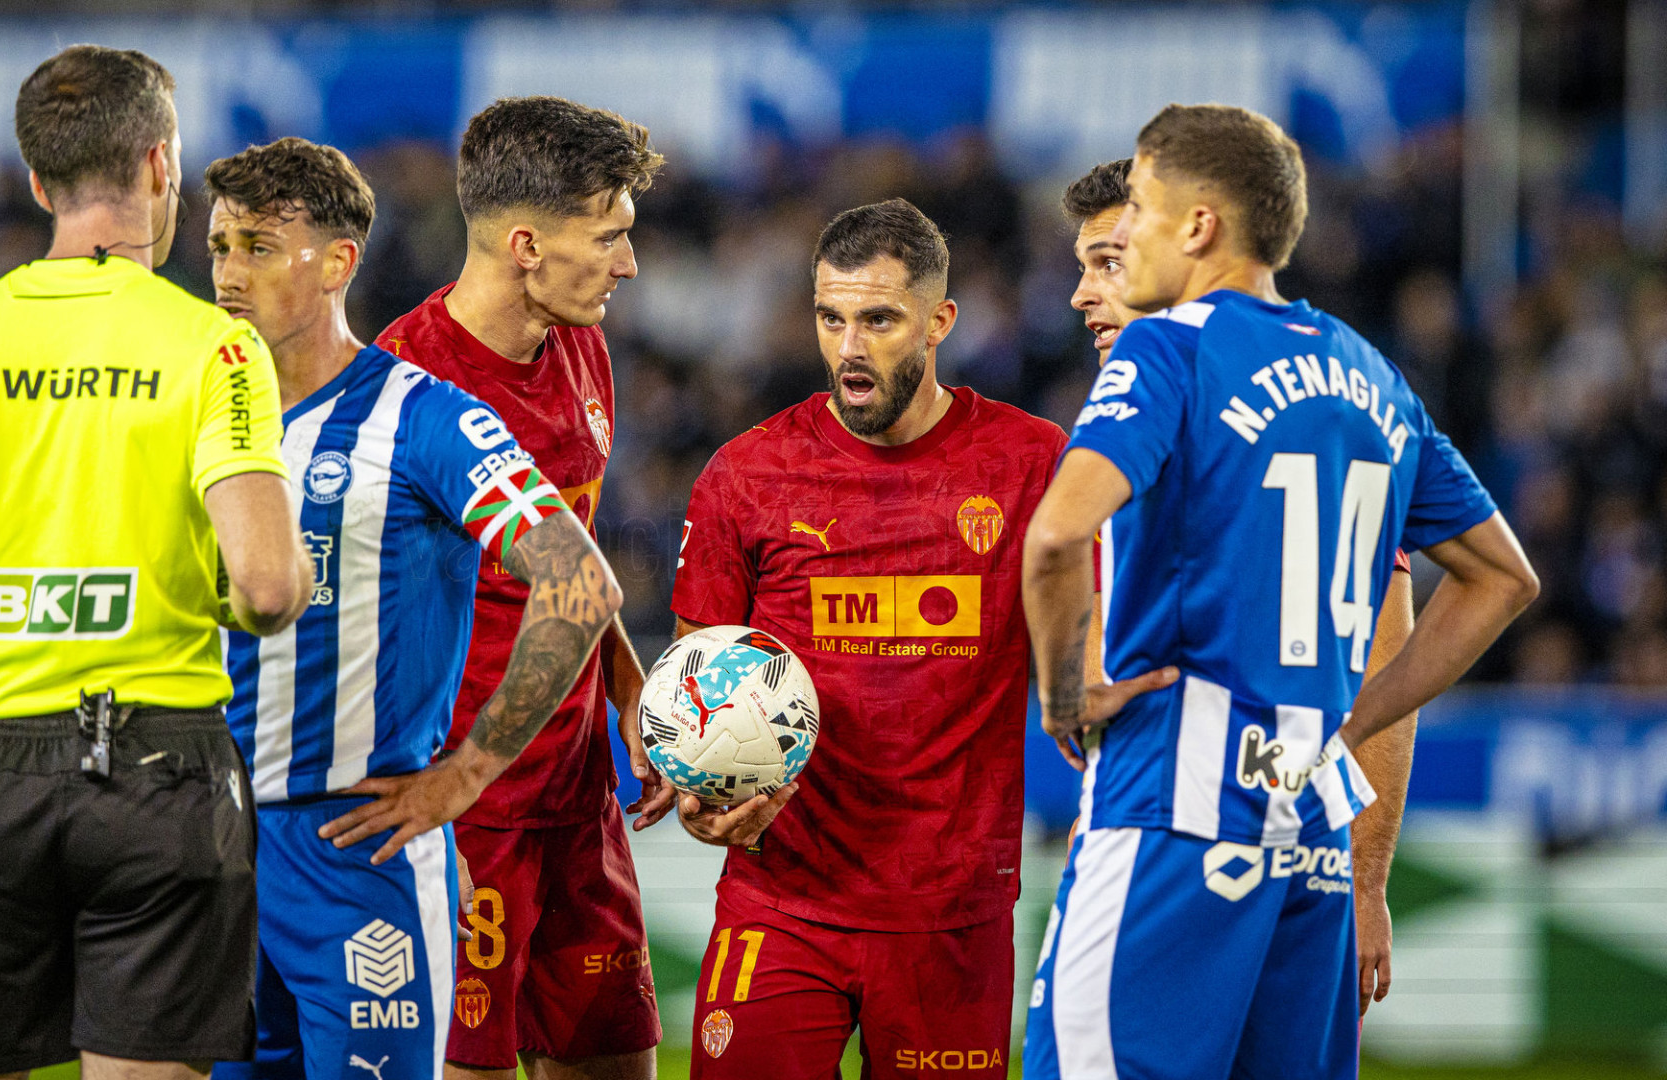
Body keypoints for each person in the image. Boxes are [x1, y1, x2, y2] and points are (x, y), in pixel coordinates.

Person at [0, 45, 313, 1080]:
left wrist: (0, 613)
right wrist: (260, 588)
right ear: (162, 164)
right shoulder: (212, 346)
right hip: (166, 773)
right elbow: (266, 588)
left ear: (39, 182)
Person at [1020, 104, 1539, 1079]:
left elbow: (1053, 540)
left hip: (1174, 803)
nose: (1099, 276)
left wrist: (1063, 696)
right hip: (1312, 827)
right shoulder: (1372, 376)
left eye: (1139, 218)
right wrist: (1354, 721)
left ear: (1198, 226)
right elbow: (1504, 577)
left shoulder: (1169, 349)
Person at [668, 198, 1173, 1079]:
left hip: (954, 918)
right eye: (830, 318)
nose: (848, 348)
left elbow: (1090, 643)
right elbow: (696, 680)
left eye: (878, 320)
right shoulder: (746, 474)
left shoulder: (1032, 464)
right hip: (782, 901)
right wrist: (701, 794)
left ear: (940, 322)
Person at [200, 136, 626, 1080]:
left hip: (355, 849)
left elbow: (581, 582)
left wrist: (463, 780)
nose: (229, 274)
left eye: (260, 247)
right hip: (209, 849)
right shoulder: (190, 416)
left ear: (338, 263)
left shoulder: (424, 416)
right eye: (220, 245)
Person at [1061, 155, 1422, 1015]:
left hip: (1179, 830)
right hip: (1289, 835)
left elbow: (1384, 651)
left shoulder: (1184, 411)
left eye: (1108, 263)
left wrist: (1368, 875)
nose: (1081, 295)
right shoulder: (1339, 400)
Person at [365, 96, 669, 1080]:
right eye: (610, 237)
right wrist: (446, 794)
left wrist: (625, 686)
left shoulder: (580, 343)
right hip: (466, 808)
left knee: (619, 1064)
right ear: (527, 246)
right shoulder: (400, 391)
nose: (629, 264)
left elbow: (572, 558)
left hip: (577, 795)